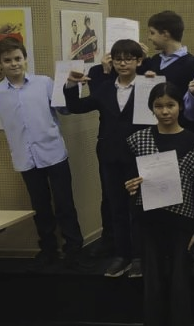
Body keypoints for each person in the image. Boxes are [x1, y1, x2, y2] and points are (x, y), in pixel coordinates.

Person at [0, 36, 86, 269]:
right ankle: (48, 249)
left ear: (25, 59)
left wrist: (71, 87)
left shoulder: (44, 83)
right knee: (40, 207)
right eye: (8, 60)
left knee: (65, 204)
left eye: (17, 58)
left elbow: (65, 110)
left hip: (54, 154)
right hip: (26, 159)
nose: (14, 64)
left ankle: (74, 249)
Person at [124, 83, 194, 326]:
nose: (165, 111)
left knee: (180, 286)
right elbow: (129, 181)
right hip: (150, 222)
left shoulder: (193, 141)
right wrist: (130, 186)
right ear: (151, 109)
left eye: (170, 105)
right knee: (153, 285)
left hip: (182, 224)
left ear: (180, 106)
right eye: (159, 106)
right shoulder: (138, 140)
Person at [64, 39, 151, 279]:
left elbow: (166, 108)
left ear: (138, 61)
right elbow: (77, 107)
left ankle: (139, 256)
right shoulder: (103, 88)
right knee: (116, 207)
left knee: (139, 208)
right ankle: (121, 255)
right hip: (110, 154)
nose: (123, 64)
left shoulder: (148, 86)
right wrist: (70, 85)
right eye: (118, 59)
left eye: (128, 59)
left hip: (140, 154)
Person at [140, 10, 194, 126]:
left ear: (165, 34)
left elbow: (193, 106)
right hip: (154, 126)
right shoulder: (154, 60)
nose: (149, 38)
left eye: (152, 33)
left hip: (181, 128)